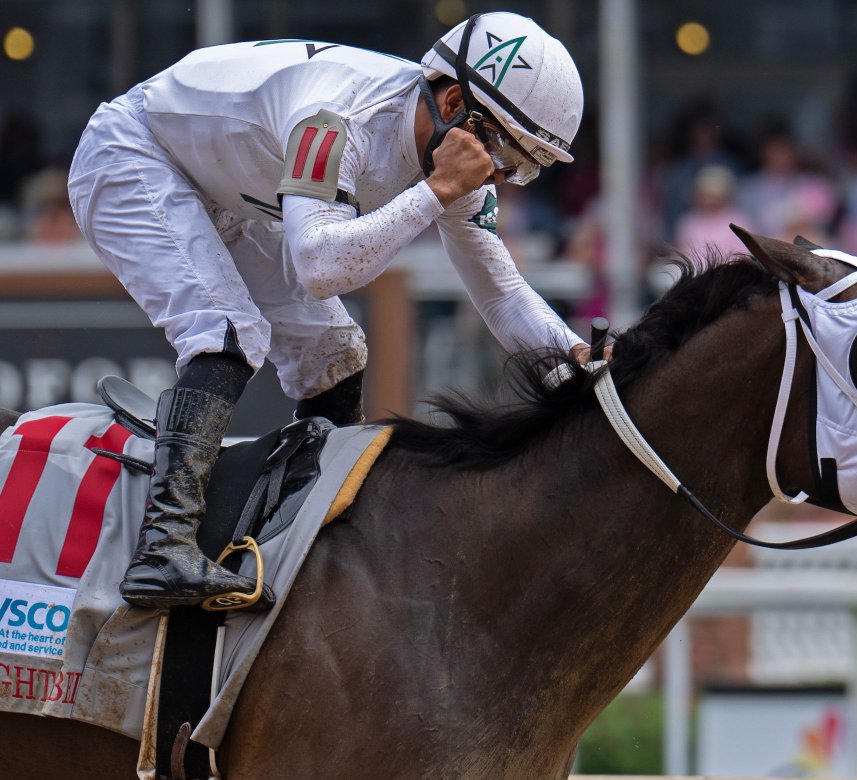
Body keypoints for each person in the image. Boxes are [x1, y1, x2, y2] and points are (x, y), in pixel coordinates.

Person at [66, 12, 586, 609]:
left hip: (218, 184)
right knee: (226, 336)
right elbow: (321, 269)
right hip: (133, 152)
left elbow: (501, 292)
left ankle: (301, 539)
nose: (499, 176)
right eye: (503, 153)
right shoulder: (340, 118)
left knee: (336, 356)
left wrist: (573, 361)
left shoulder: (450, 147)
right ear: (451, 101)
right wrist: (435, 192)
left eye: (522, 167)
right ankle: (164, 548)